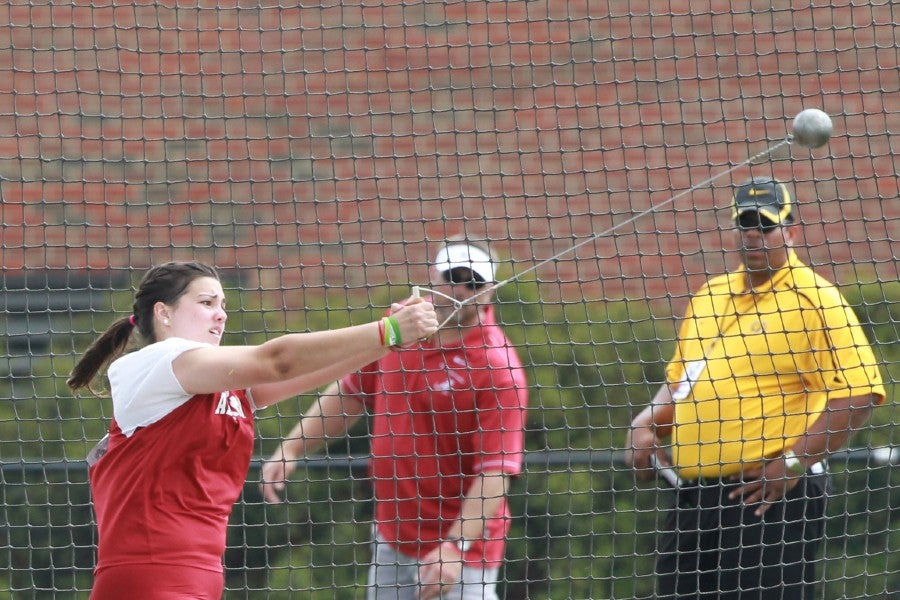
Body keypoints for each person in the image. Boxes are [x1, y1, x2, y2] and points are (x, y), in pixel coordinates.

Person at [67, 261, 439, 600]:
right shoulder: (154, 364)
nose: (221, 315)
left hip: (201, 577)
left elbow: (307, 371)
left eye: (223, 304)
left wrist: (389, 336)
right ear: (163, 313)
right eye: (207, 303)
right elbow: (278, 362)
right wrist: (385, 329)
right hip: (148, 578)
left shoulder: (219, 382)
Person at [625, 177, 886, 600]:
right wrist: (644, 424)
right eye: (745, 224)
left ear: (790, 231)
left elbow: (859, 395)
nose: (754, 235)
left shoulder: (816, 300)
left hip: (769, 497)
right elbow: (681, 381)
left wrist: (793, 464)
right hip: (693, 498)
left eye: (765, 226)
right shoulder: (710, 295)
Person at [260, 239, 529, 600]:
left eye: (473, 282)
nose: (460, 288)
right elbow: (352, 392)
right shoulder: (400, 324)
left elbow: (495, 472)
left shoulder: (499, 368)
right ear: (435, 277)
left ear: (489, 291)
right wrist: (292, 447)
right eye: (453, 276)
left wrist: (455, 546)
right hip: (393, 536)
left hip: (463, 553)